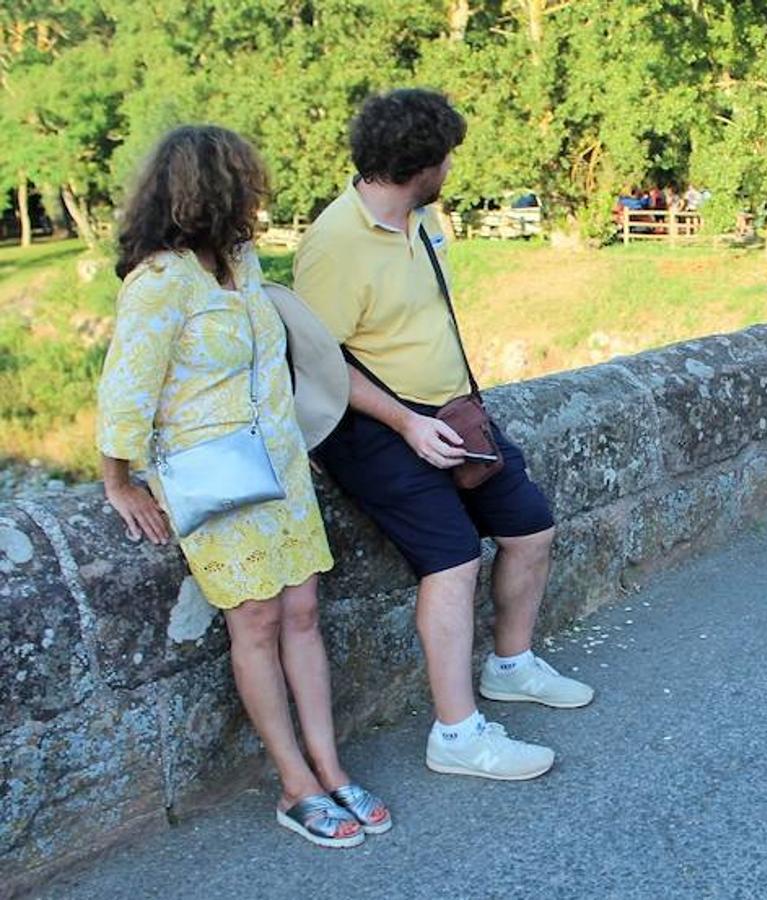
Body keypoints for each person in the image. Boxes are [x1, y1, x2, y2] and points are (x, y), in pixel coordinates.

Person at [97, 126, 390, 847]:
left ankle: (329, 766)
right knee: (255, 621)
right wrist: (120, 482)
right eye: (247, 183)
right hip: (213, 473)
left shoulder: (242, 262)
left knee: (302, 613)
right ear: (211, 189)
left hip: (281, 466)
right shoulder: (159, 282)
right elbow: (126, 390)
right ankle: (295, 785)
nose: (258, 196)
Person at [294, 89, 591, 782]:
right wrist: (405, 422)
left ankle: (510, 665)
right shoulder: (335, 244)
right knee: (452, 561)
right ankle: (456, 735)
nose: (452, 167)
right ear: (420, 163)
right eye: (447, 156)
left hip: (452, 413)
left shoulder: (426, 222)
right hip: (372, 429)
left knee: (530, 529)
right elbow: (317, 361)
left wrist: (446, 411)